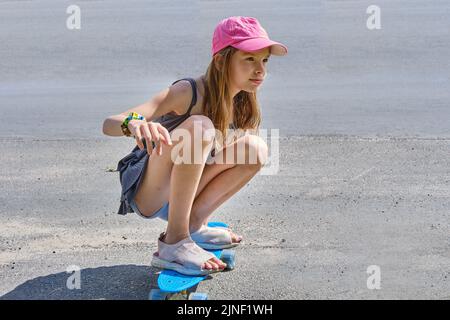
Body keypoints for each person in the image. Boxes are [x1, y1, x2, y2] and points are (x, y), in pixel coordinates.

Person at [102, 16, 288, 276]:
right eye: (249, 59)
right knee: (200, 126)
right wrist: (133, 125)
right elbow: (110, 123)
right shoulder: (188, 91)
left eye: (264, 60)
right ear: (222, 61)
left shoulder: (242, 102)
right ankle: (174, 242)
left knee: (256, 148)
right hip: (150, 191)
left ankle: (193, 224)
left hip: (184, 191)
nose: (260, 70)